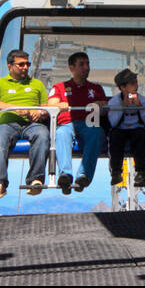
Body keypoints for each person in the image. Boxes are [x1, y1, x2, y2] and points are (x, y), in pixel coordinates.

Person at [0, 49, 50, 200]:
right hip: (9, 123)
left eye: (27, 64)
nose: (25, 67)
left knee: (43, 135)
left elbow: (45, 107)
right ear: (10, 66)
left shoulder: (37, 84)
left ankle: (36, 179)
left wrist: (39, 113)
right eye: (21, 64)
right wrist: (13, 108)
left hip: (32, 124)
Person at [49, 51, 107, 193]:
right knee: (61, 133)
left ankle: (83, 175)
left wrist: (100, 105)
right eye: (82, 64)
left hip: (88, 123)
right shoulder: (60, 87)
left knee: (97, 133)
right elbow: (51, 104)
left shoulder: (96, 88)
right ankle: (65, 174)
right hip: (67, 123)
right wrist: (59, 105)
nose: (86, 68)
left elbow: (104, 106)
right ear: (71, 68)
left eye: (87, 64)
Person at [107, 68, 145, 186]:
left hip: (136, 128)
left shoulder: (143, 101)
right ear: (123, 87)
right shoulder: (114, 102)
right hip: (121, 129)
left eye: (136, 82)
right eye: (132, 83)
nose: (136, 86)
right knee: (115, 137)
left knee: (142, 136)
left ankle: (141, 172)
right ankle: (116, 172)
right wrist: (122, 107)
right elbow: (113, 122)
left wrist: (140, 107)